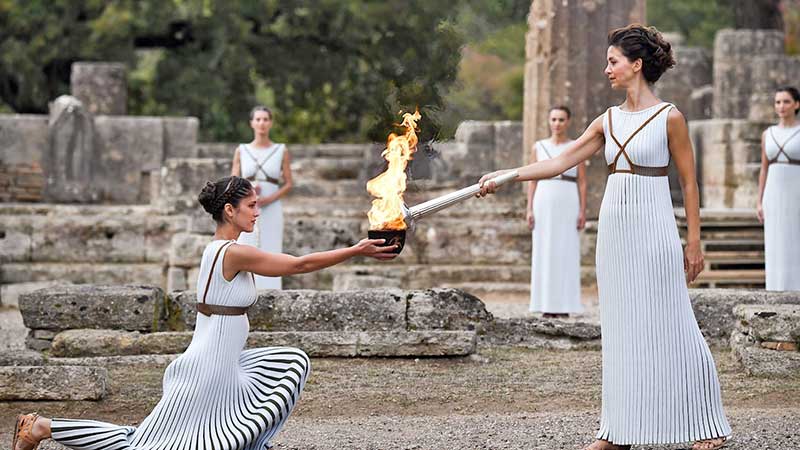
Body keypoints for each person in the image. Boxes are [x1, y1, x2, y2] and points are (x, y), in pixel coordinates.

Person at [478, 24, 730, 450]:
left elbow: (689, 184)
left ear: (636, 65)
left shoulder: (670, 117)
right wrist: (509, 175)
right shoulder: (606, 120)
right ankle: (617, 430)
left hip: (655, 227)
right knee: (620, 326)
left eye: (613, 61)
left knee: (672, 318)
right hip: (615, 231)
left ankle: (708, 423)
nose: (607, 68)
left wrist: (693, 242)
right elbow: (561, 161)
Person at [11, 175, 396, 450]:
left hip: (223, 364)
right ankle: (41, 427)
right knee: (144, 444)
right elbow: (297, 266)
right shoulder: (232, 252)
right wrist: (355, 251)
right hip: (207, 369)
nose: (257, 213)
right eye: (251, 206)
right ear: (229, 211)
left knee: (292, 362)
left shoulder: (222, 250)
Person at [527, 105, 587, 318]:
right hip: (544, 198)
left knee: (566, 250)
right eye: (553, 119)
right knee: (545, 250)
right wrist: (529, 209)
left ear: (568, 121)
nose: (557, 124)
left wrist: (582, 210)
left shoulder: (576, 146)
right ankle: (545, 303)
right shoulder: (539, 147)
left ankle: (565, 304)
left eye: (561, 120)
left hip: (568, 198)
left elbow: (582, 181)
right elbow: (532, 179)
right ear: (548, 121)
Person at [231, 106, 292, 289]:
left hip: (271, 207)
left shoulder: (281, 150)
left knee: (271, 248)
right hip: (246, 206)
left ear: (271, 123)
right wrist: (249, 191)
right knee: (247, 247)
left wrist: (269, 199)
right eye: (258, 119)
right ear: (252, 123)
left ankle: (271, 290)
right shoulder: (242, 150)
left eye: (265, 119)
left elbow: (289, 183)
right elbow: (233, 181)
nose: (261, 123)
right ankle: (244, 290)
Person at [756, 86, 800, 291]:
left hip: (796, 192)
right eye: (778, 102)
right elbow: (764, 169)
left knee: (795, 239)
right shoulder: (768, 134)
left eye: (786, 102)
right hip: (773, 194)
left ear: (796, 105)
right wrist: (759, 201)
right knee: (775, 241)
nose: (781, 106)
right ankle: (774, 288)